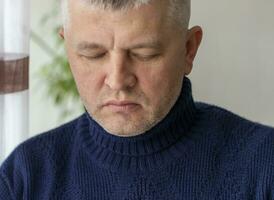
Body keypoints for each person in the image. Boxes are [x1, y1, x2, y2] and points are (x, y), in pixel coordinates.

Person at [1, 0, 274, 199]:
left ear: (189, 50)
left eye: (144, 53)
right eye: (93, 54)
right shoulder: (24, 178)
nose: (118, 80)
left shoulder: (264, 167)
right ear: (67, 47)